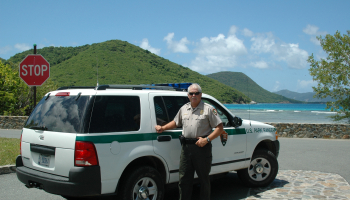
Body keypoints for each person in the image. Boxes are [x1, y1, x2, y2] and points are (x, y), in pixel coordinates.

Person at [155, 83, 223, 200]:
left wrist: (207, 139)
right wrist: (163, 128)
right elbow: (176, 122)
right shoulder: (184, 108)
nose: (194, 95)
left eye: (196, 93)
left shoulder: (208, 109)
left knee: (203, 179)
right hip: (186, 148)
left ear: (201, 94)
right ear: (188, 95)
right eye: (191, 93)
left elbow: (220, 128)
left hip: (202, 148)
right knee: (184, 179)